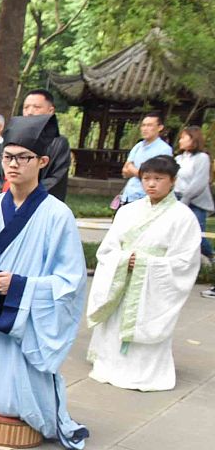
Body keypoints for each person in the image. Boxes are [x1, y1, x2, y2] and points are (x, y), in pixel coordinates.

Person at [0, 114, 89, 450]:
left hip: (26, 325)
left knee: (21, 389)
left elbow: (69, 283)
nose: (13, 164)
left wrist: (21, 288)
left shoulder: (58, 216)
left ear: (42, 162)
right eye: (8, 156)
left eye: (23, 158)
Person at [87, 156, 201, 391]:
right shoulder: (127, 211)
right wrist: (122, 260)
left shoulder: (183, 217)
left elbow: (185, 261)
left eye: (158, 179)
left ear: (173, 181)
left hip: (152, 285)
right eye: (146, 178)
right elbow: (108, 248)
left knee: (143, 320)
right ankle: (110, 365)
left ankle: (144, 372)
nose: (151, 184)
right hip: (123, 277)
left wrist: (146, 265)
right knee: (116, 322)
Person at [0, 90, 71, 201]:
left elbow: (56, 179)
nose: (29, 112)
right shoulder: (10, 138)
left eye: (36, 107)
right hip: (5, 200)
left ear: (51, 111)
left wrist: (24, 195)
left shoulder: (58, 143)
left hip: (38, 204)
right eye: (26, 107)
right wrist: (8, 192)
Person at [174, 125, 213, 263]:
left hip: (195, 202)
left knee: (198, 235)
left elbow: (199, 182)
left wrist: (185, 199)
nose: (180, 141)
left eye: (184, 137)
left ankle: (211, 256)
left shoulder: (202, 158)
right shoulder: (179, 158)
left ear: (193, 139)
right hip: (178, 198)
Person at [120, 111, 173, 206]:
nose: (145, 129)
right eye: (143, 125)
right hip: (129, 195)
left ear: (160, 128)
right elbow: (125, 170)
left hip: (146, 198)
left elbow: (156, 175)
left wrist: (133, 169)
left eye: (149, 125)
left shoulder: (164, 149)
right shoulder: (138, 146)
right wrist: (140, 172)